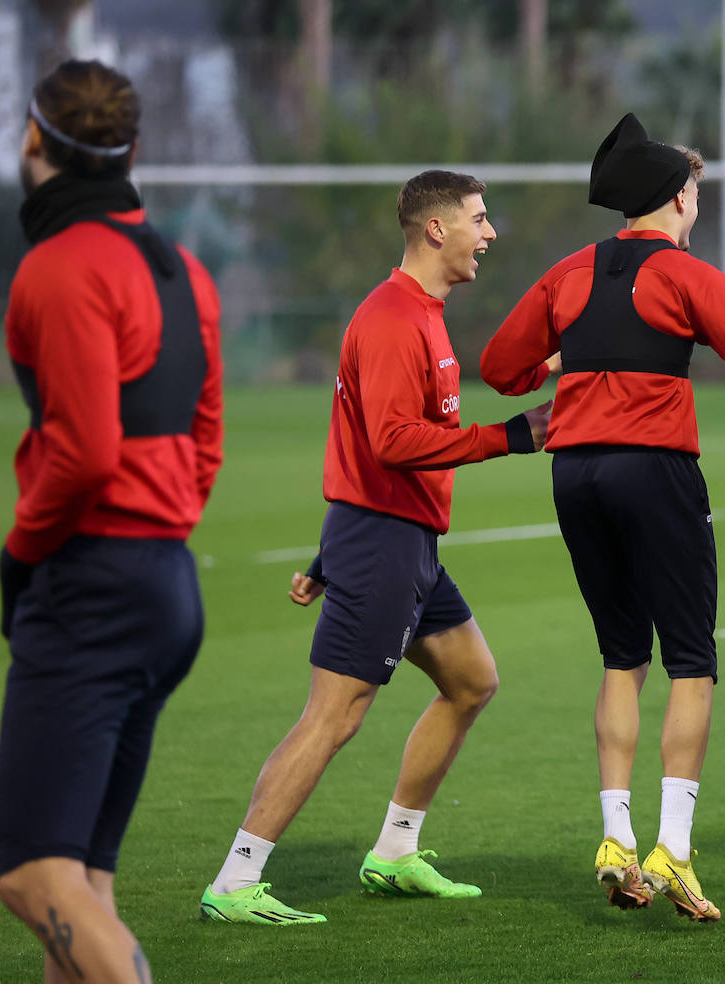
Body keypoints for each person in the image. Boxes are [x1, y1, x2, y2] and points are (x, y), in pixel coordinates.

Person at [480, 113, 725, 921]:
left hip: (575, 473)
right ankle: (673, 847)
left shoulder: (568, 272)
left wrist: (571, 357)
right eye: (696, 192)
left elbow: (500, 369)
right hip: (655, 469)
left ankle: (614, 839)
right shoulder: (686, 274)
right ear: (678, 197)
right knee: (693, 661)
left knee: (619, 657)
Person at [199, 169, 552, 925]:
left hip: (403, 541)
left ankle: (393, 853)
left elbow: (366, 440)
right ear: (436, 229)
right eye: (479, 219)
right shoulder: (394, 316)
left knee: (471, 681)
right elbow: (392, 441)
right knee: (334, 716)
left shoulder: (423, 311)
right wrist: (511, 438)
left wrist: (328, 558)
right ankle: (236, 879)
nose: (489, 233)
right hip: (384, 542)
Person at [0, 60, 224, 983]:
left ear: (33, 140)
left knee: (32, 876)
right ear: (131, 149)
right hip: (166, 585)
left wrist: (21, 553)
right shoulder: (183, 267)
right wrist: (160, 529)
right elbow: (205, 440)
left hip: (94, 585)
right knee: (85, 880)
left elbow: (84, 453)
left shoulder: (56, 266)